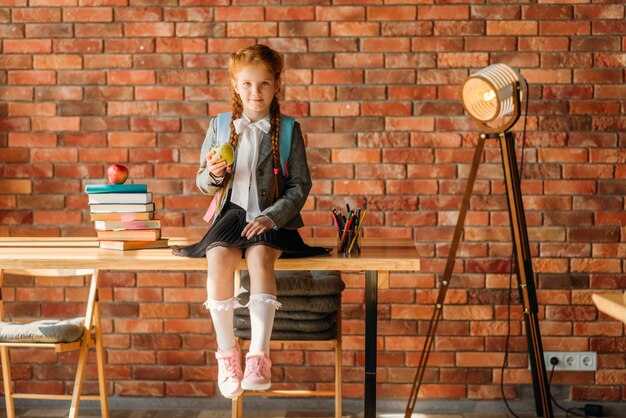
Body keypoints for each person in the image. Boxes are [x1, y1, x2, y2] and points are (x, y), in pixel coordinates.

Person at [173, 44, 329, 399]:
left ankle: (258, 354)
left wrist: (272, 218)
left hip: (272, 219)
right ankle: (228, 356)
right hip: (232, 214)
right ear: (235, 86)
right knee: (218, 256)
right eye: (247, 85)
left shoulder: (288, 130)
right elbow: (202, 181)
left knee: (259, 256)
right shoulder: (220, 125)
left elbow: (300, 184)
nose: (255, 93)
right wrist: (213, 174)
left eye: (264, 84)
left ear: (276, 87)